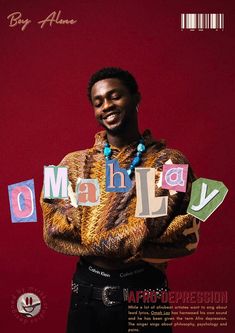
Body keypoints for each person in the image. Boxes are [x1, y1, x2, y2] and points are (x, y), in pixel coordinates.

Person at [40, 67, 200, 333]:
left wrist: (93, 233)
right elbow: (53, 229)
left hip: (145, 298)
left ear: (136, 98)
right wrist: (141, 233)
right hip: (86, 297)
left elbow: (185, 231)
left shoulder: (170, 163)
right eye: (98, 102)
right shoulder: (72, 164)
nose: (106, 106)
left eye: (115, 96)